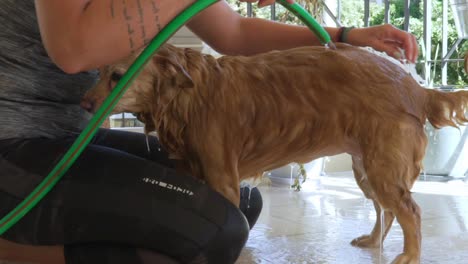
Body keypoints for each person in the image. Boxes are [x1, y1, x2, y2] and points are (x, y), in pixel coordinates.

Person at [0, 0, 418, 263]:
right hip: (13, 146)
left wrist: (346, 36)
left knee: (239, 203)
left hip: (71, 140)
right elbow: (73, 49)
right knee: (215, 231)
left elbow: (233, 32)